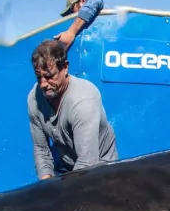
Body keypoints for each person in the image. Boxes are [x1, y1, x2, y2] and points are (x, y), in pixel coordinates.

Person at [27, 39, 118, 180]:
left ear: (65, 68)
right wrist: (45, 188)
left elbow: (87, 162)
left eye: (49, 76)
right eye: (39, 77)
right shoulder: (34, 99)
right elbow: (42, 150)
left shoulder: (83, 100)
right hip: (65, 170)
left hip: (100, 170)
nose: (43, 84)